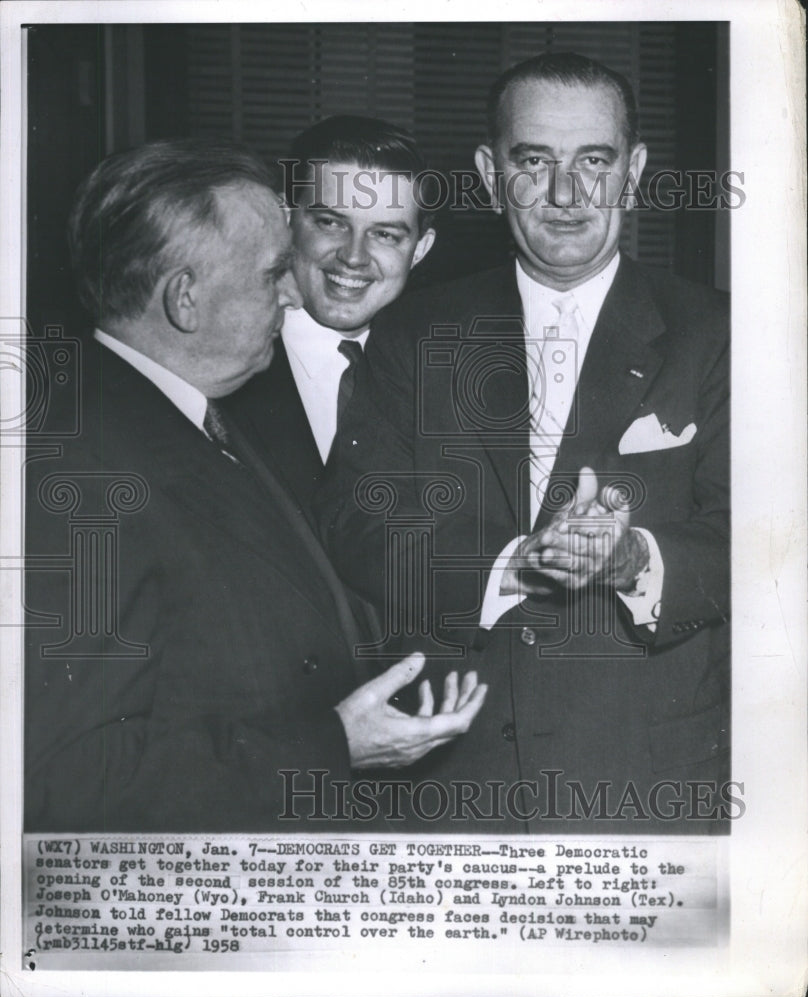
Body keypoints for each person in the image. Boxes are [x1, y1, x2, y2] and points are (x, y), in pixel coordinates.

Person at [319, 53, 730, 833]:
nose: (566, 195)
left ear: (635, 170)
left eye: (595, 162)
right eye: (533, 161)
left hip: (644, 784)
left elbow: (767, 543)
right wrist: (513, 564)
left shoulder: (721, 335)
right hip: (453, 781)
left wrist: (634, 556)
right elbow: (354, 521)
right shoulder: (414, 330)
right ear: (487, 172)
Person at [23, 138, 485, 833]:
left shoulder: (192, 416)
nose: (295, 292)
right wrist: (334, 746)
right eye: (273, 275)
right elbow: (67, 778)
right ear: (185, 298)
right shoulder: (80, 473)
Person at [222, 116, 436, 516]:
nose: (353, 256)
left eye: (385, 234)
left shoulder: (439, 375)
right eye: (331, 223)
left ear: (420, 250)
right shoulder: (218, 367)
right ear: (286, 222)